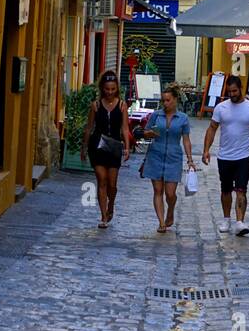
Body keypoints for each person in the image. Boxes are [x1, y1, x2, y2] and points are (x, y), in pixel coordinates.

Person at [201, 75, 249, 236]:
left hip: (243, 156)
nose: (232, 94)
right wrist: (206, 150)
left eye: (235, 91)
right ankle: (226, 218)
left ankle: (240, 222)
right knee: (226, 190)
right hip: (224, 156)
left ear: (241, 88)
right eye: (229, 91)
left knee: (241, 190)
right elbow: (212, 128)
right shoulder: (221, 108)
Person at [137, 83, 196, 233]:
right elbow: (145, 131)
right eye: (163, 100)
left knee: (170, 193)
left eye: (168, 100)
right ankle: (161, 222)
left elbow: (186, 139)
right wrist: (148, 133)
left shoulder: (182, 118)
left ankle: (171, 209)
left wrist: (190, 160)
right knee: (158, 190)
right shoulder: (156, 115)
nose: (165, 103)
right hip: (155, 154)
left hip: (174, 157)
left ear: (175, 100)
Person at [80, 70, 132, 228]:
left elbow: (124, 128)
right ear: (102, 88)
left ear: (117, 89)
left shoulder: (122, 105)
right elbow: (89, 128)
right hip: (97, 146)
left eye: (113, 89)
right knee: (101, 180)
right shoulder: (95, 106)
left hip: (114, 146)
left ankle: (111, 205)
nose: (110, 92)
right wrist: (84, 147)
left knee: (112, 184)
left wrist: (127, 147)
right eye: (107, 89)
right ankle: (103, 216)